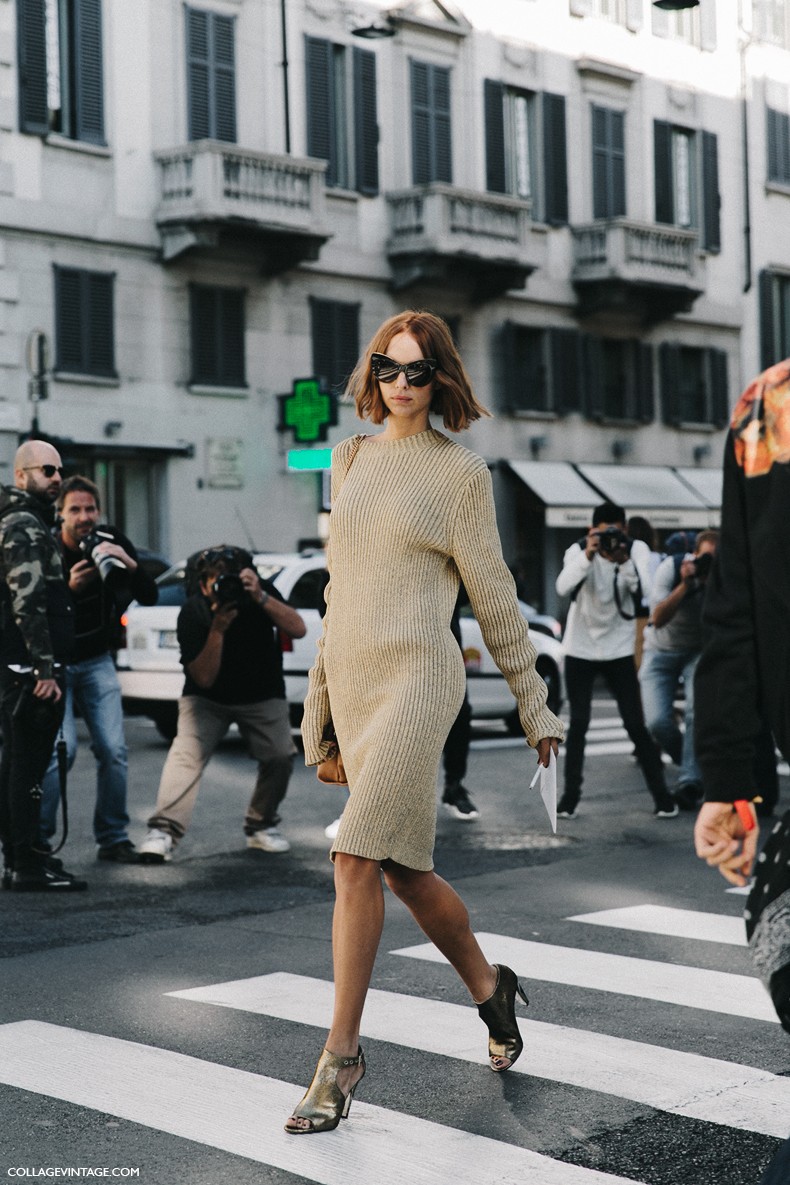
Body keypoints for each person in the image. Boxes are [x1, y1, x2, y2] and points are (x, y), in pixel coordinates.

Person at [285, 310, 563, 1135]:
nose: (402, 384)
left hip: (419, 680)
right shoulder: (348, 460)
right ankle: (491, 988)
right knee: (403, 872)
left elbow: (494, 593)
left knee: (353, 855)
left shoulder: (460, 475)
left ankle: (340, 1057)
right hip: (360, 681)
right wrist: (321, 699)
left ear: (440, 381)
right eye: (388, 368)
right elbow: (341, 593)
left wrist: (533, 701)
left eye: (418, 372)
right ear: (370, 373)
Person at [691, 358, 790, 1184]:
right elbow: (740, 598)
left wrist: (733, 778)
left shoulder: (770, 406)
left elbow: (737, 604)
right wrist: (732, 779)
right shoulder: (768, 408)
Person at [138, 545, 306, 862]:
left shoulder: (258, 592)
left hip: (262, 692)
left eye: (228, 578)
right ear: (201, 583)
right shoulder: (193, 612)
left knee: (280, 755)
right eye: (214, 580)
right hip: (207, 698)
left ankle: (261, 825)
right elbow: (204, 678)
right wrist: (217, 629)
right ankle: (163, 831)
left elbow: (298, 628)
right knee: (185, 758)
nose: (222, 587)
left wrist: (261, 598)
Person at [38, 475, 158, 862]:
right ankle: (38, 842)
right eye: (75, 509)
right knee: (62, 753)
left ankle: (112, 838)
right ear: (60, 516)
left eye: (90, 508)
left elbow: (149, 595)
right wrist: (68, 591)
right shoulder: (48, 548)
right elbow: (31, 613)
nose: (84, 517)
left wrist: (128, 562)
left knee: (114, 748)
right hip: (55, 664)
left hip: (96, 661)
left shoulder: (109, 540)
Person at [555, 503, 676, 819]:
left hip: (619, 648)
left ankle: (663, 798)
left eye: (616, 533)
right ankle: (569, 799)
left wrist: (623, 563)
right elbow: (562, 586)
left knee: (635, 724)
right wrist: (589, 555)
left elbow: (647, 593)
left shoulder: (636, 550)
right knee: (578, 724)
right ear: (591, 531)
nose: (611, 538)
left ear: (624, 530)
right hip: (580, 647)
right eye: (603, 533)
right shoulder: (579, 550)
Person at [0, 440, 84, 891]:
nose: (55, 478)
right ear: (21, 476)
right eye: (46, 470)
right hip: (27, 671)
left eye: (58, 471)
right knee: (26, 767)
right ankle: (26, 864)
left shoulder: (24, 521)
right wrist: (43, 671)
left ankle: (20, 860)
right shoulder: (24, 526)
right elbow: (27, 602)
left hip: (17, 666)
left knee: (17, 764)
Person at [639, 529, 719, 811]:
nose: (707, 564)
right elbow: (658, 618)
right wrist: (686, 585)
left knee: (697, 711)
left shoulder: (722, 579)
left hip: (697, 651)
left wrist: (711, 585)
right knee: (657, 722)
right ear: (694, 555)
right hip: (660, 651)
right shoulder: (670, 569)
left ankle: (689, 781)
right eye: (704, 558)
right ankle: (693, 766)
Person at [442, 588, 477, 820]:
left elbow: (468, 593)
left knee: (460, 717)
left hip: (448, 653)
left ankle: (454, 787)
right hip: (401, 653)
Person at [625, 515, 662, 669]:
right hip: (657, 615)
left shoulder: (630, 559)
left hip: (636, 616)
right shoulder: (659, 558)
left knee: (637, 666)